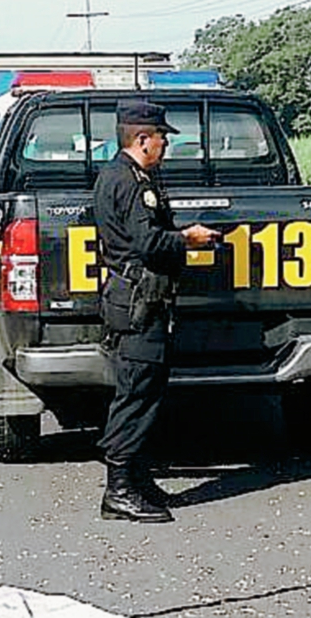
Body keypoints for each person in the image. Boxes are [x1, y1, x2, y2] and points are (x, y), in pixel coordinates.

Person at [93, 101, 220, 522]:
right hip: (138, 302)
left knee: (146, 392)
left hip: (138, 298)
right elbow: (147, 242)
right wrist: (188, 238)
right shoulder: (131, 182)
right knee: (136, 393)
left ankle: (137, 479)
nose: (166, 143)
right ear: (142, 139)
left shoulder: (126, 174)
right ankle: (119, 489)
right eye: (162, 137)